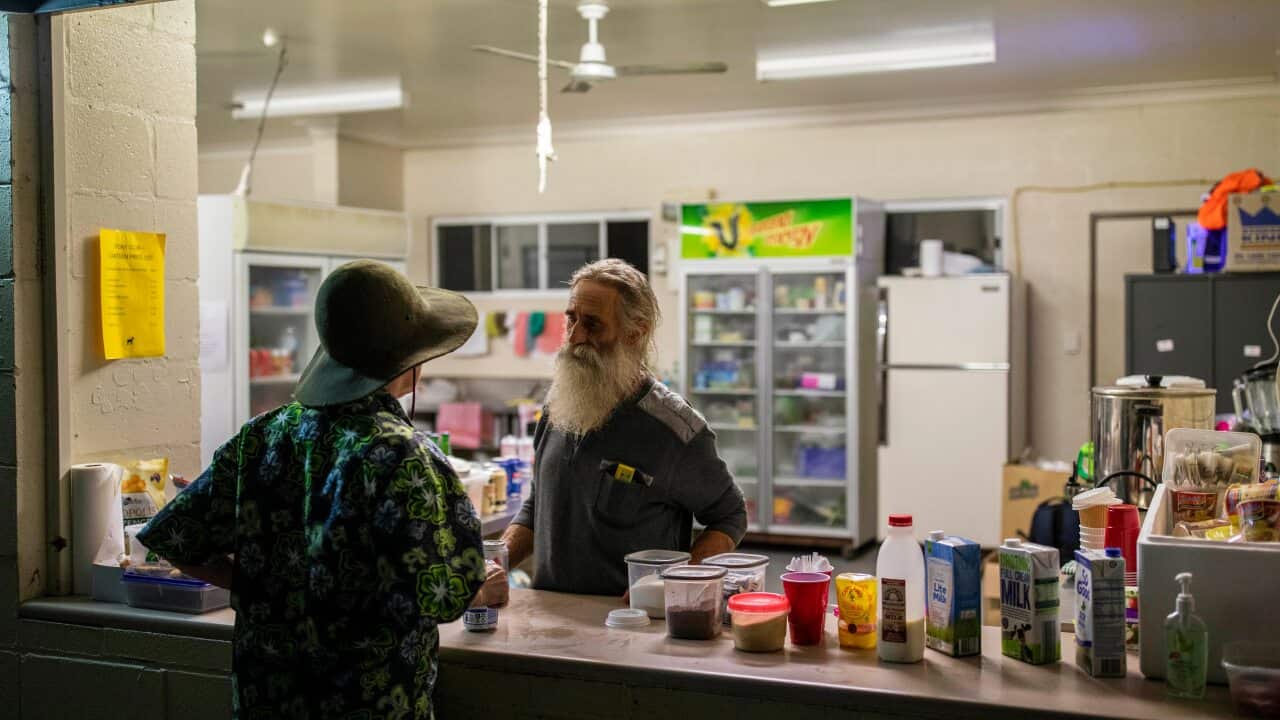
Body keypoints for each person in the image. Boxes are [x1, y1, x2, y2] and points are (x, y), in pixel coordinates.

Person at [138, 261, 507, 719]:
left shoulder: (262, 435)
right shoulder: (402, 454)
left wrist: (261, 589)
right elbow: (442, 593)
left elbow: (178, 539)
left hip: (267, 700)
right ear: (410, 363)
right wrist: (485, 589)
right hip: (369, 704)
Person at [502, 259, 748, 596]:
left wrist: (675, 582)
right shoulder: (558, 405)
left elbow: (730, 515)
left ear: (636, 332)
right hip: (548, 628)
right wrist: (496, 561)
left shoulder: (675, 432)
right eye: (571, 319)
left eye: (592, 325)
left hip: (631, 631)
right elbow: (539, 503)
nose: (575, 337)